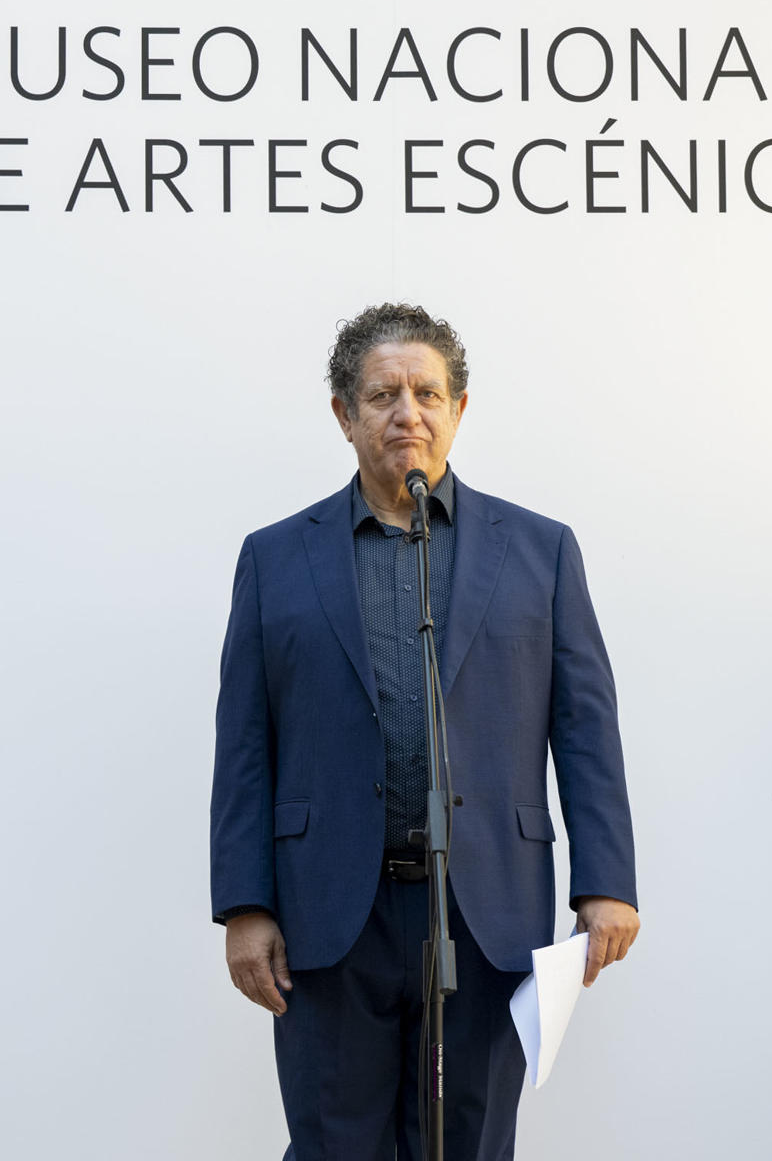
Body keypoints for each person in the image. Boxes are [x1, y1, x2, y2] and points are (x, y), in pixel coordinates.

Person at [210, 304, 639, 1161]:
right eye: (382, 394)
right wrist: (245, 904)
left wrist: (607, 879)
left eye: (427, 393)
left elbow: (584, 724)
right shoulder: (274, 556)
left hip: (485, 907)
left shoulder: (541, 550)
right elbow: (245, 743)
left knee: (470, 1146)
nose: (408, 412)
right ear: (344, 414)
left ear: (460, 408)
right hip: (329, 913)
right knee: (335, 1146)